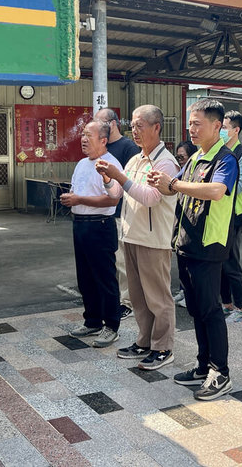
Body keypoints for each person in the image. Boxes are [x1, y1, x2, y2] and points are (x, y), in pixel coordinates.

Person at [148, 99, 238, 401]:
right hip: (186, 243)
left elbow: (216, 191)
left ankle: (220, 372)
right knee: (198, 309)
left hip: (209, 246)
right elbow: (176, 189)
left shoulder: (225, 159)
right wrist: (161, 183)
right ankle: (203, 365)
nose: (192, 128)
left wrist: (173, 183)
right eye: (190, 123)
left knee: (211, 310)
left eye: (198, 123)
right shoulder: (195, 158)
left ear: (217, 126)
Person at [96, 105, 180, 371]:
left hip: (153, 240)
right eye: (132, 125)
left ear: (156, 127)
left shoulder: (166, 162)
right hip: (131, 236)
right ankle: (144, 341)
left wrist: (119, 176)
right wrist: (109, 179)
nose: (134, 130)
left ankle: (163, 347)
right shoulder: (135, 160)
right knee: (138, 296)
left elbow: (151, 197)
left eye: (140, 125)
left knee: (158, 297)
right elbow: (118, 193)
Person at [62, 121, 123, 348]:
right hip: (80, 225)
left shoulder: (110, 165)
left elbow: (113, 199)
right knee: (85, 277)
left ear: (103, 140)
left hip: (100, 225)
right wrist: (72, 198)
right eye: (83, 134)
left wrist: (79, 200)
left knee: (105, 278)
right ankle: (93, 321)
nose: (83, 139)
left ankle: (112, 326)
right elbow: (79, 191)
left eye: (89, 135)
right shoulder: (81, 163)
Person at [94, 108, 140, 321]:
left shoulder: (128, 147)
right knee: (108, 258)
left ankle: (127, 302)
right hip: (103, 212)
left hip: (120, 211)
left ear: (112, 124)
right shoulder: (101, 147)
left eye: (101, 122)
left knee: (122, 261)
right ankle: (112, 297)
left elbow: (132, 181)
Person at [219, 111, 242, 323]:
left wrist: (216, 187)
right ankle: (226, 304)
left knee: (231, 262)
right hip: (221, 213)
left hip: (236, 214)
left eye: (224, 127)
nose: (222, 131)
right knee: (220, 261)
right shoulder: (221, 151)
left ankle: (240, 308)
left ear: (236, 130)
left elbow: (240, 185)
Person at [172, 140, 197, 309]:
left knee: (191, 262)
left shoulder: (196, 166)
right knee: (180, 258)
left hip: (192, 219)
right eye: (178, 156)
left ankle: (190, 293)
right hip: (179, 218)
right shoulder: (184, 168)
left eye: (182, 157)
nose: (180, 160)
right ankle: (183, 290)